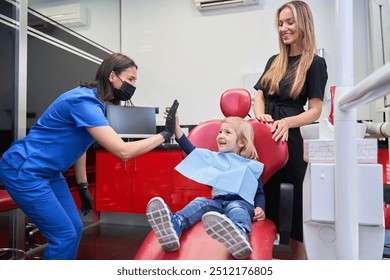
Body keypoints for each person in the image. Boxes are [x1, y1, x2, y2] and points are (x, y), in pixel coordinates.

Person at [0, 53, 179, 260]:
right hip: (24, 170)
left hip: (49, 173)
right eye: (130, 79)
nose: (133, 85)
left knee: (75, 228)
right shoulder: (82, 101)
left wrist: (83, 186)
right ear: (112, 76)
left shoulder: (97, 103)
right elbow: (123, 151)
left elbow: (80, 147)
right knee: (64, 235)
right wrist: (164, 135)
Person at [253, 1, 328, 259]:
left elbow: (316, 110)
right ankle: (262, 259)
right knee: (264, 201)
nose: (283, 28)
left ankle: (301, 263)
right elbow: (260, 95)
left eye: (289, 22)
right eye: (280, 23)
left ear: (303, 23)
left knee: (296, 208)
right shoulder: (274, 61)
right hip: (265, 139)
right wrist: (259, 114)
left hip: (290, 140)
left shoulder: (315, 63)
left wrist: (286, 122)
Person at [146, 116, 265, 259]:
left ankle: (239, 234)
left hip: (240, 202)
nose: (221, 135)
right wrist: (176, 128)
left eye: (227, 132)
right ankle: (175, 224)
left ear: (241, 142)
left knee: (237, 209)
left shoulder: (250, 165)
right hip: (218, 202)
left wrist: (260, 207)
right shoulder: (214, 159)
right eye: (220, 132)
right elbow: (192, 151)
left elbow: (259, 192)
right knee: (200, 202)